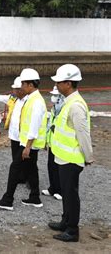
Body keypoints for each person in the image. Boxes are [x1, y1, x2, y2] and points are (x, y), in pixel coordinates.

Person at [48, 64, 93, 242]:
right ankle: (65, 221)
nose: (57, 85)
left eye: (59, 82)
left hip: (71, 159)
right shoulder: (68, 102)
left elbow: (83, 134)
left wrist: (88, 157)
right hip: (63, 157)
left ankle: (72, 230)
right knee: (66, 194)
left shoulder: (76, 106)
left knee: (71, 195)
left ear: (68, 83)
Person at [0, 68, 47, 210]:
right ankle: (35, 197)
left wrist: (27, 146)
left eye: (23, 84)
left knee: (15, 168)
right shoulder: (32, 99)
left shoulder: (36, 102)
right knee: (31, 168)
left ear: (30, 85)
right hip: (29, 142)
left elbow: (34, 125)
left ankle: (8, 199)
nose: (21, 87)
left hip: (28, 143)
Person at [42, 86, 65, 200]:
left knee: (58, 167)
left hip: (60, 142)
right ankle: (52, 188)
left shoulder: (64, 108)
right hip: (52, 142)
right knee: (51, 165)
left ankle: (60, 190)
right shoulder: (54, 108)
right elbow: (49, 124)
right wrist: (46, 140)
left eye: (56, 95)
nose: (53, 97)